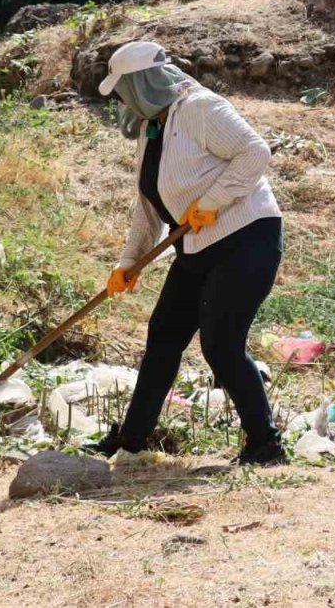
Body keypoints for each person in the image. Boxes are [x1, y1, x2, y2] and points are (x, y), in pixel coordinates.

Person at [89, 41, 287, 465]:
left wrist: (214, 200)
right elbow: (148, 207)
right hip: (195, 246)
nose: (122, 102)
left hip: (245, 238)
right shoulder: (153, 130)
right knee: (163, 335)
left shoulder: (200, 108)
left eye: (124, 91)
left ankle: (266, 445)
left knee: (222, 345)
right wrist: (128, 263)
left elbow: (255, 152)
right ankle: (131, 442)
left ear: (142, 85)